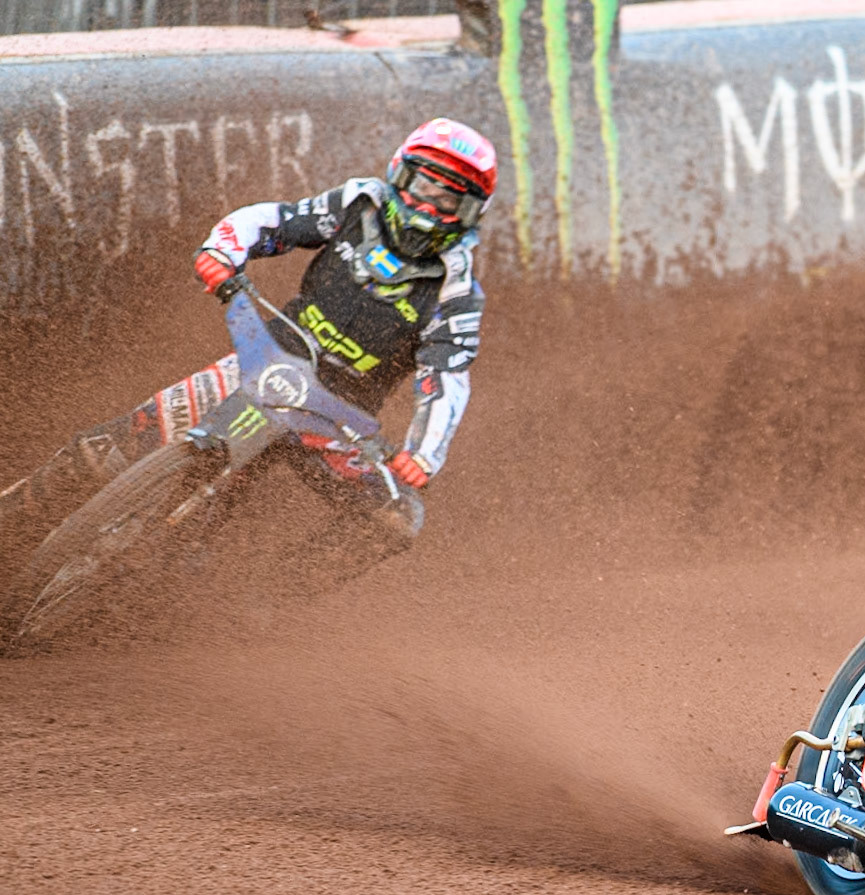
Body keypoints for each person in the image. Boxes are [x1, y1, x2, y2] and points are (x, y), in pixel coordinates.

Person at [0, 118, 495, 581]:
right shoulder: (357, 203)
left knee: (397, 515)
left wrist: (422, 455)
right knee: (108, 448)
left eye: (450, 200)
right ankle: (10, 523)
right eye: (425, 186)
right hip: (266, 360)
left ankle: (263, 604)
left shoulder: (456, 293)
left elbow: (445, 379)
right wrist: (223, 252)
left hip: (334, 419)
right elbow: (276, 221)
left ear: (471, 212)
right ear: (400, 175)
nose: (430, 206)